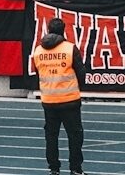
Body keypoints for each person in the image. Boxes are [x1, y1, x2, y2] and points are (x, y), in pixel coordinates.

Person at [32, 17, 85, 175]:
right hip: (69, 99)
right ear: (63, 30)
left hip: (49, 100)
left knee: (51, 136)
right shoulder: (69, 48)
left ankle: (53, 169)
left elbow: (38, 73)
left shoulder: (38, 50)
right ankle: (75, 169)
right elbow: (80, 71)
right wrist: (77, 88)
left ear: (48, 30)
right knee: (75, 136)